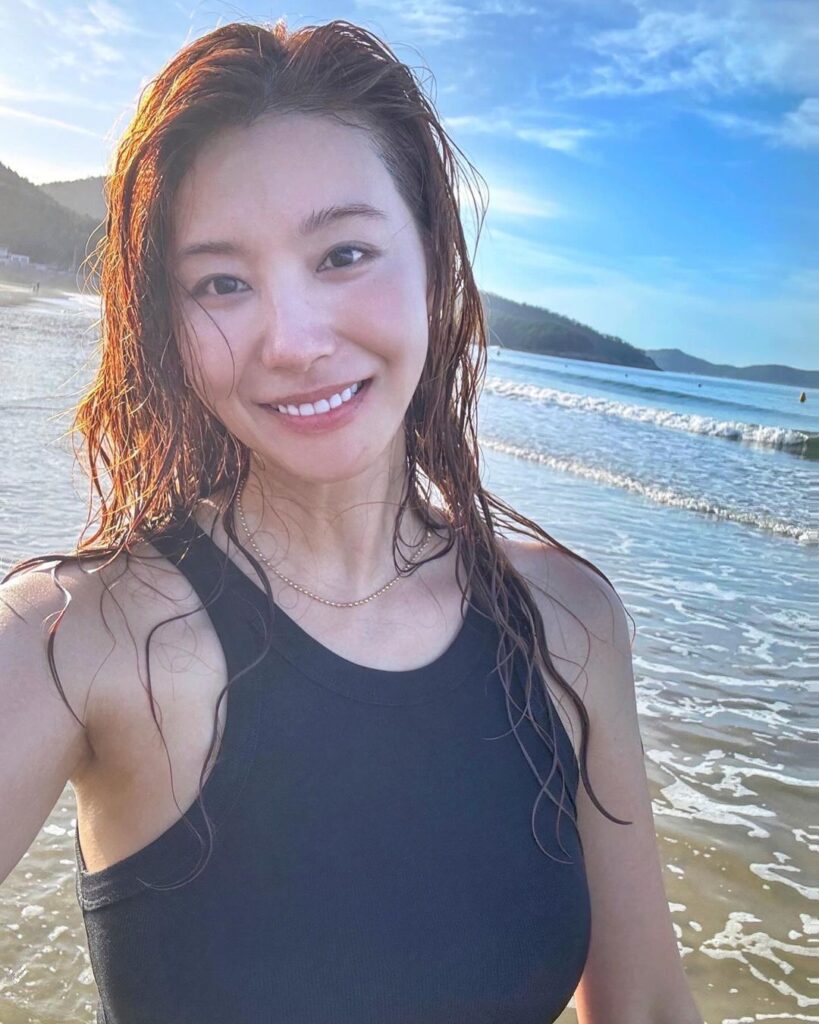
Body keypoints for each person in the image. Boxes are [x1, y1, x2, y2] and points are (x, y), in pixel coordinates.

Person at [0, 19, 703, 1024]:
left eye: (343, 254)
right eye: (222, 283)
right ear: (168, 323)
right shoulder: (77, 637)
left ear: (435, 267)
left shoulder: (565, 623)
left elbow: (645, 1008)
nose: (291, 341)